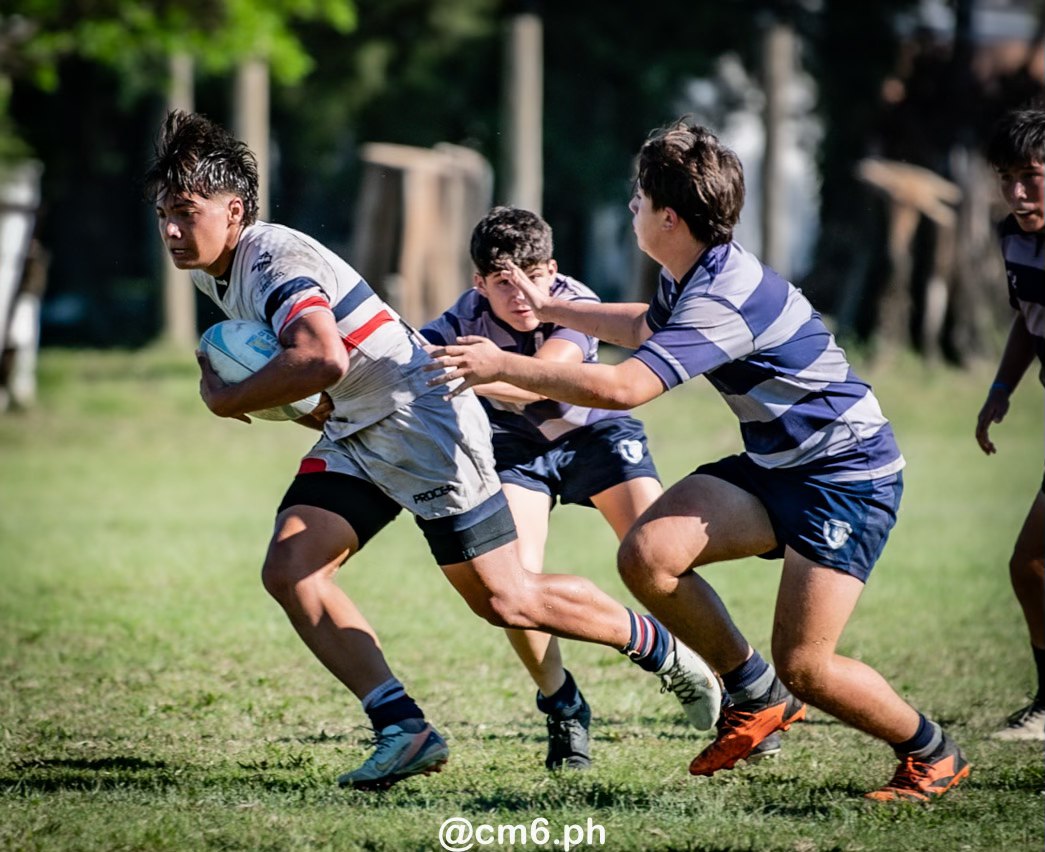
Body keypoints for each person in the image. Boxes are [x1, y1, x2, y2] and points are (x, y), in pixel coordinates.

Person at [143, 110, 722, 790]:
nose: (173, 231)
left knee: (506, 600)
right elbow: (315, 373)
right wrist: (293, 405)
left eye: (186, 212)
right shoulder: (215, 267)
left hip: (423, 422)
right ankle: (402, 728)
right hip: (360, 429)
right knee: (292, 566)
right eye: (164, 215)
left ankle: (660, 648)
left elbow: (319, 357)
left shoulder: (272, 257)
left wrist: (225, 398)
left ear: (233, 209)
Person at [427, 119, 970, 802]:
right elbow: (638, 328)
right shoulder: (691, 271)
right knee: (647, 555)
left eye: (637, 198)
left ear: (669, 216)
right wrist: (549, 304)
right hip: (778, 465)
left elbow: (627, 388)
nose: (630, 208)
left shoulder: (722, 295)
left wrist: (501, 363)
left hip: (845, 476)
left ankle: (930, 754)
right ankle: (751, 691)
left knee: (808, 667)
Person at [421, 205, 778, 769]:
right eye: (503, 284)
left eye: (534, 278)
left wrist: (473, 374)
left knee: (663, 559)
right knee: (515, 588)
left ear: (553, 270)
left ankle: (744, 692)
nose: (521, 296)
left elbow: (547, 383)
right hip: (514, 450)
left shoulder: (576, 303)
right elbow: (414, 370)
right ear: (478, 283)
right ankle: (564, 706)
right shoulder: (459, 319)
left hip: (598, 438)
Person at [975, 107, 1045, 742]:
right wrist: (1001, 389)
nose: (1018, 194)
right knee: (1031, 567)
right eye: (1006, 178)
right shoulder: (1014, 237)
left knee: (1032, 563)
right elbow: (1028, 316)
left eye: (1032, 175)